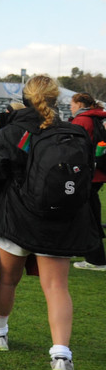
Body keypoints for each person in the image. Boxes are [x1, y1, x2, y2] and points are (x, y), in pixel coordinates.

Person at [0, 76, 99, 370]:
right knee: (57, 287)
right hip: (62, 219)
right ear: (57, 98)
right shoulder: (73, 131)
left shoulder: (13, 131)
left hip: (17, 218)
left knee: (7, 280)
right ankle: (61, 356)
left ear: (25, 97)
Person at [68, 92, 106, 270]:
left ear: (80, 104)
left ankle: (96, 259)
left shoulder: (82, 120)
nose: (70, 107)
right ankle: (79, 249)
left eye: (72, 104)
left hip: (87, 174)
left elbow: (74, 148)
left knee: (87, 217)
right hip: (97, 172)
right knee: (86, 213)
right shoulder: (96, 117)